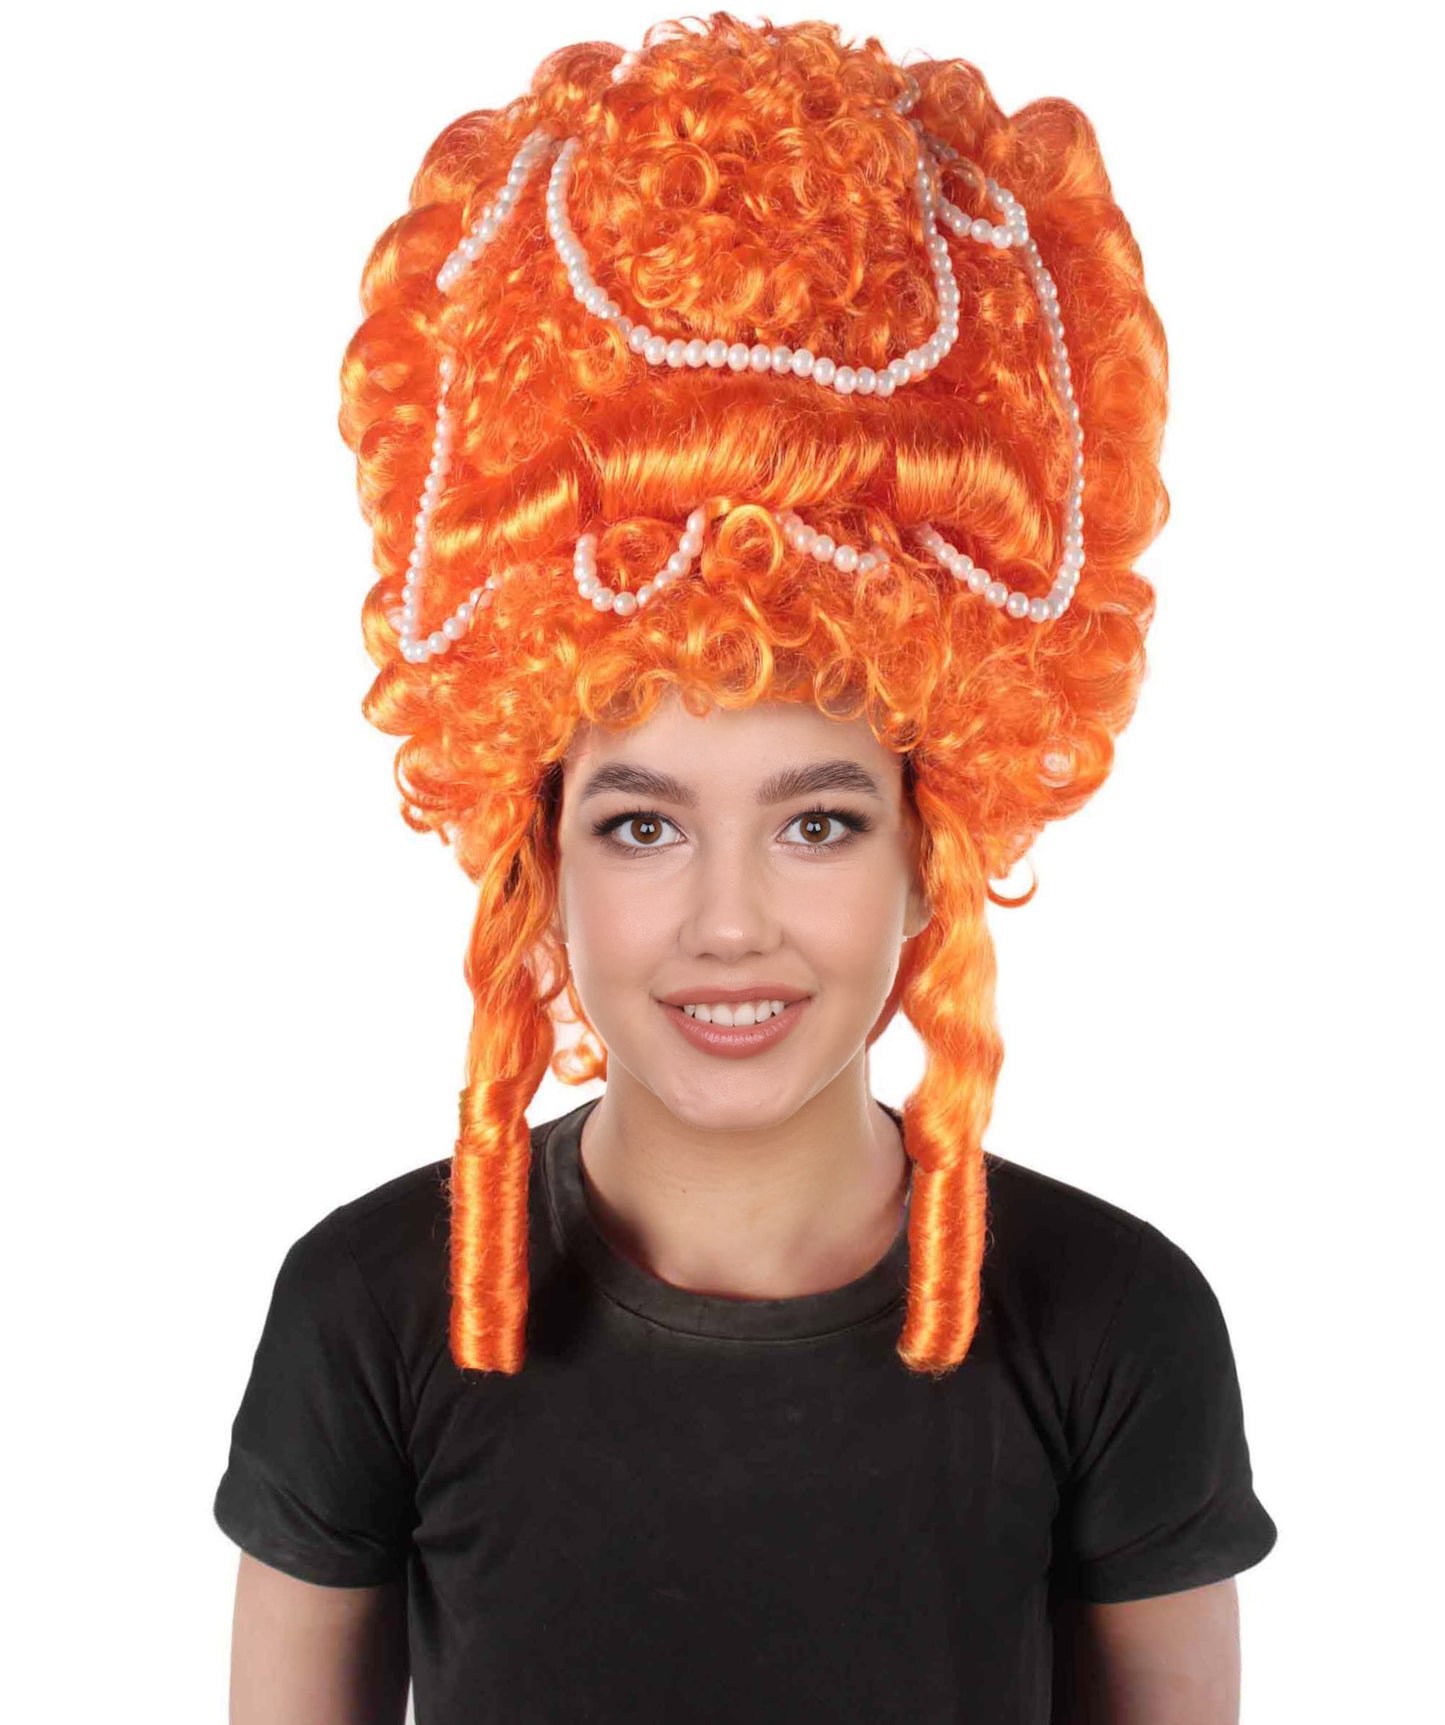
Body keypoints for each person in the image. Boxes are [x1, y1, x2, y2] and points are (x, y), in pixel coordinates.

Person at [214, 14, 1278, 1723]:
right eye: (641, 823)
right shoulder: (371, 1311)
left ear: (932, 847)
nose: (727, 922)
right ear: (535, 853)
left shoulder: (1110, 1324)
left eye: (817, 820)